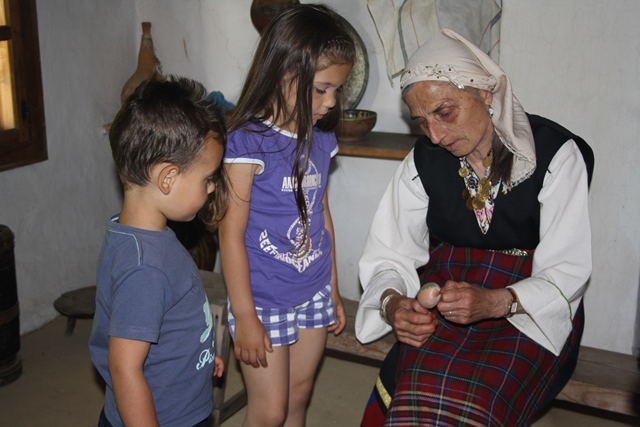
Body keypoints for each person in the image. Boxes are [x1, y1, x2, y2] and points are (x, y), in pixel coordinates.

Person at [355, 29, 594, 426]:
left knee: (477, 401)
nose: (435, 135)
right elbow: (390, 252)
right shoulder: (423, 162)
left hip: (528, 305)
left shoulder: (555, 155)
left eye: (444, 113)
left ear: (485, 93)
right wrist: (393, 304)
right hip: (449, 288)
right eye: (422, 121)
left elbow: (566, 270)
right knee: (420, 387)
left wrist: (497, 302)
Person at [217, 4, 354, 426]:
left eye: (337, 91)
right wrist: (244, 315)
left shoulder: (321, 137)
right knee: (269, 411)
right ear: (283, 73)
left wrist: (332, 287)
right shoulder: (246, 143)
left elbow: (321, 215)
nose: (331, 102)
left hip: (313, 288)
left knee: (299, 395)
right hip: (262, 299)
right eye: (322, 89)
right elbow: (230, 234)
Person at [89, 76, 227, 427]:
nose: (212, 188)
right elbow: (125, 368)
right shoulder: (144, 268)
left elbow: (162, 319)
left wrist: (195, 356)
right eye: (207, 179)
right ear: (167, 178)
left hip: (178, 400)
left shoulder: (140, 236)